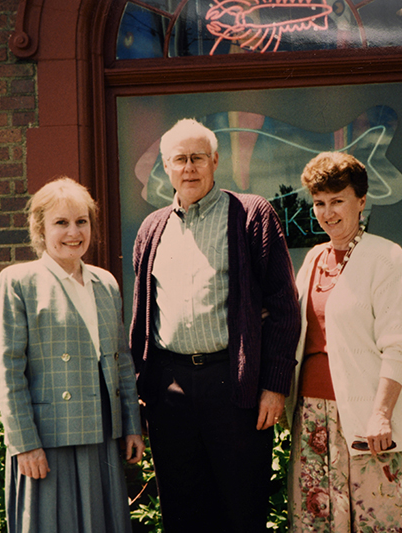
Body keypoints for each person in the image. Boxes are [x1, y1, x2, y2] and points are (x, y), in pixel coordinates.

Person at [130, 118, 300, 532]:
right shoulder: (153, 228)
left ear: (215, 161)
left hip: (232, 385)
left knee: (242, 507)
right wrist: (141, 389)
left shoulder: (250, 214)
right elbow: (143, 315)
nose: (189, 168)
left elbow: (283, 304)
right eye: (179, 160)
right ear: (166, 168)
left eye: (197, 158)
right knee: (182, 509)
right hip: (170, 390)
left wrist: (275, 386)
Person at [284, 152, 402, 532]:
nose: (327, 212)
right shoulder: (314, 259)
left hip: (368, 422)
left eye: (338, 200)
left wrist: (381, 414)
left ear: (361, 201)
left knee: (379, 523)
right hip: (313, 420)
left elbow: (399, 346)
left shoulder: (385, 258)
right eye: (319, 202)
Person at [0, 177, 145, 533]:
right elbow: (8, 371)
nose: (73, 232)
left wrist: (132, 426)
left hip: (102, 436)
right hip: (47, 442)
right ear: (40, 228)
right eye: (60, 222)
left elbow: (121, 360)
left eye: (81, 221)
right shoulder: (19, 282)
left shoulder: (105, 282)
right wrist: (25, 445)